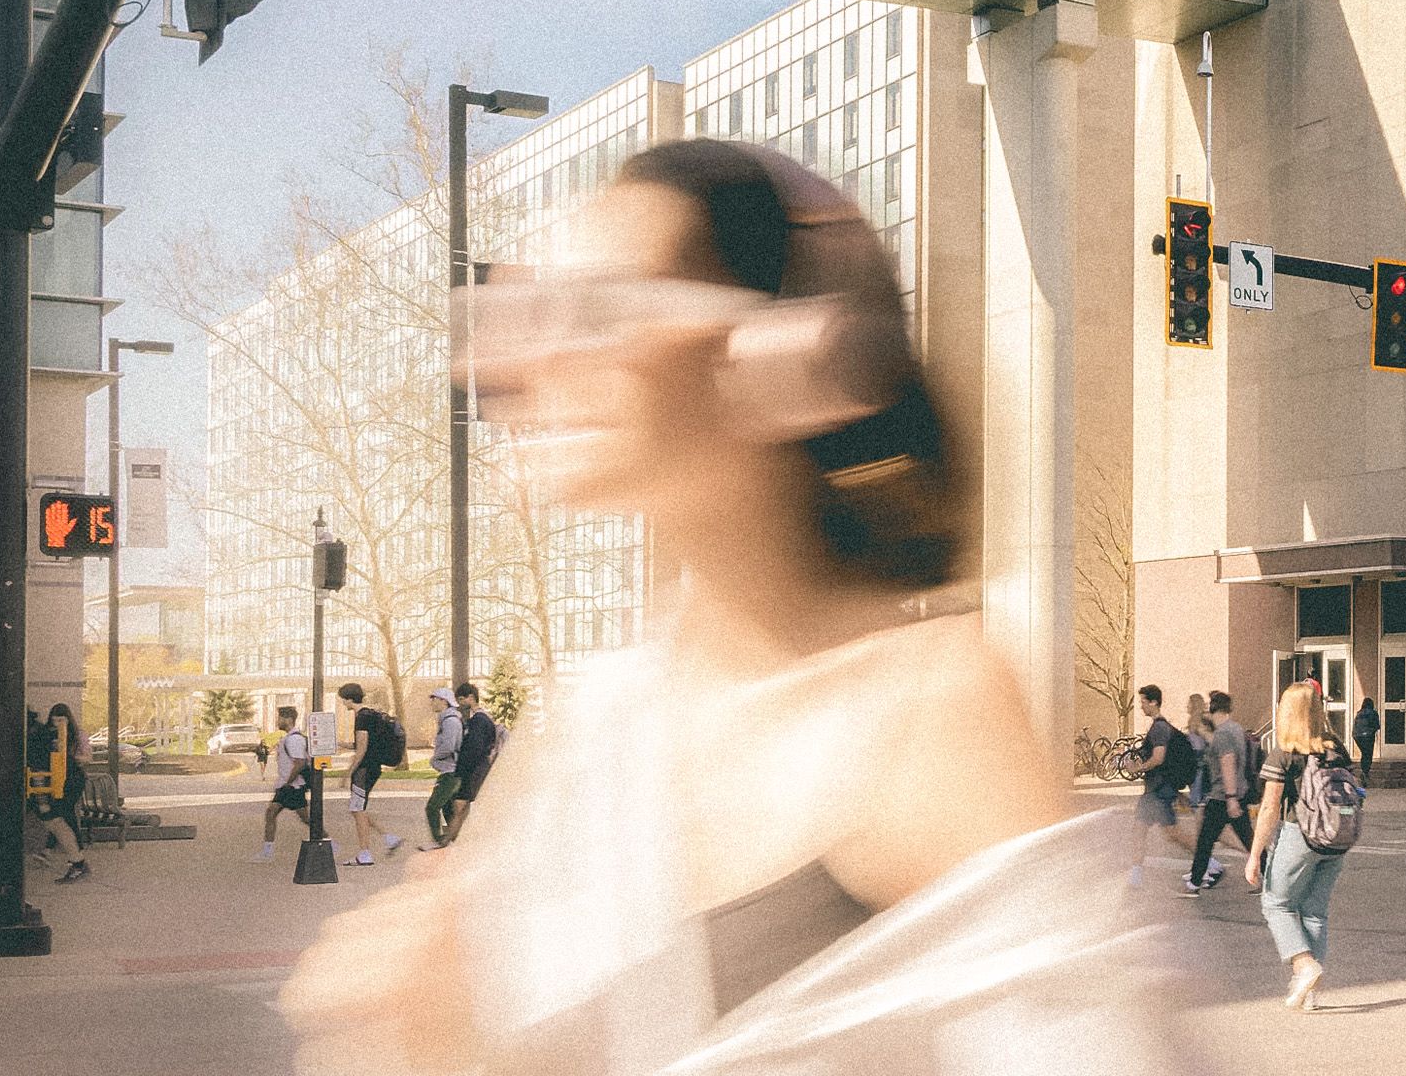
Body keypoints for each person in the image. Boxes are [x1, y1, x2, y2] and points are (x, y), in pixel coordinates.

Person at [279, 139, 1132, 1076]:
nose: (534, 358)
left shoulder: (925, 717)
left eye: (600, 308)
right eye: (521, 311)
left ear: (783, 353)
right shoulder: (597, 717)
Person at [1247, 681, 1351, 1011]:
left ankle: (1304, 965)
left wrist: (1254, 855)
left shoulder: (1285, 755)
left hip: (1300, 835)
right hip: (1337, 839)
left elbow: (1269, 808)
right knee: (1314, 911)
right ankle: (1309, 992)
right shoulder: (1338, 750)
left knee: (1275, 903)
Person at [1182, 689, 1253, 896]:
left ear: (1214, 709)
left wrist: (1230, 797)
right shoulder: (1237, 729)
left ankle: (1194, 883)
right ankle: (1269, 876)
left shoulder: (1222, 734)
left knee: (1205, 840)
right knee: (1247, 839)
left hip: (1223, 795)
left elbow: (1227, 762)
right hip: (1237, 792)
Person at [1129, 683, 1197, 883]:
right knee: (1156, 831)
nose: (1141, 706)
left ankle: (1208, 862)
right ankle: (1135, 875)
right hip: (1158, 789)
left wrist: (1137, 768)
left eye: (1143, 701)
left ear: (1153, 702)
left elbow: (1159, 758)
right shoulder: (1162, 726)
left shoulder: (1159, 728)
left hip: (1156, 791)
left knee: (1169, 832)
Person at [335, 682, 402, 869]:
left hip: (364, 769)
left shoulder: (362, 717)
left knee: (357, 809)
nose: (342, 703)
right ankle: (388, 838)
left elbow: (362, 748)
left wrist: (347, 773)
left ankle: (365, 853)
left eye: (343, 700)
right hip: (374, 767)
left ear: (349, 699)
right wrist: (346, 744)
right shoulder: (372, 714)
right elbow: (366, 744)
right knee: (358, 809)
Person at [35, 702, 90, 883]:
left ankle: (76, 858)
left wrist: (69, 757)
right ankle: (76, 858)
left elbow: (87, 757)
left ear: (68, 719)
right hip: (58, 780)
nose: (58, 723)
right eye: (55, 720)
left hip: (72, 779)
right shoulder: (48, 736)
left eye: (61, 720)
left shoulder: (76, 735)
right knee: (62, 816)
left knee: (63, 814)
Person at [444, 683, 499, 844]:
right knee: (462, 805)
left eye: (461, 699)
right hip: (478, 767)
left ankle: (451, 840)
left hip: (472, 769)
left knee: (458, 805)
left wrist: (462, 770)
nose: (459, 703)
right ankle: (456, 839)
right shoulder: (483, 719)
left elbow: (474, 748)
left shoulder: (478, 721)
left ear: (471, 698)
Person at [261, 704, 311, 859]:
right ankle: (267, 851)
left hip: (292, 786)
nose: (278, 721)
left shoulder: (294, 740)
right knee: (273, 813)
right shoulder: (288, 738)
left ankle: (328, 841)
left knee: (302, 818)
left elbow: (300, 762)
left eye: (281, 718)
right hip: (288, 786)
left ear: (288, 719)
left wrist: (288, 782)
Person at [419, 688, 464, 850]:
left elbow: (449, 746)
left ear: (444, 701)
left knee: (432, 807)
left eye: (435, 699)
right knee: (448, 809)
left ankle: (438, 840)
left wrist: (434, 758)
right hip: (451, 771)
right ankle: (455, 842)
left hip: (450, 772)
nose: (432, 702)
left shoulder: (450, 721)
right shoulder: (447, 719)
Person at [1352, 694, 1380, 786]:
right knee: (1368, 754)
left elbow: (1356, 726)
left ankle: (1364, 773)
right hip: (1368, 735)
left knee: (1364, 753)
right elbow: (1376, 726)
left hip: (1357, 736)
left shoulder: (1359, 713)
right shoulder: (1373, 713)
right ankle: (1365, 773)